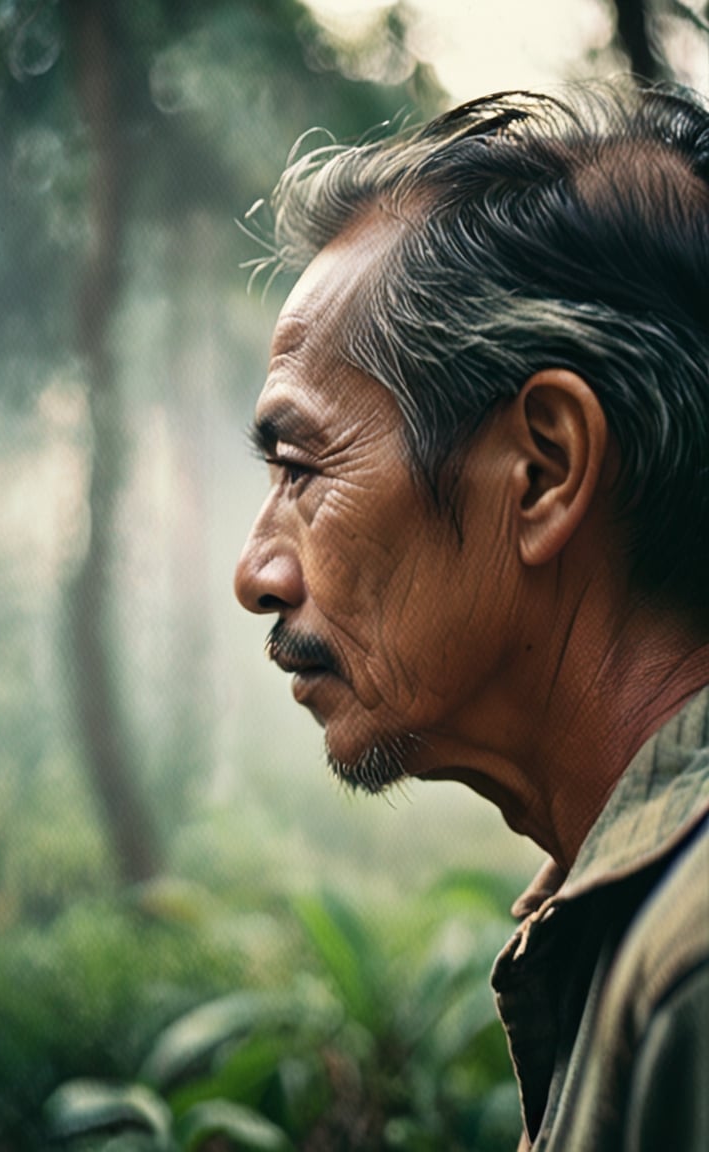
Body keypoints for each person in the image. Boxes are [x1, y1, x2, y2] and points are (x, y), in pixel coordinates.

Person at [233, 80, 709, 1151]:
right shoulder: (632, 923)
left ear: (542, 469)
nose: (256, 573)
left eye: (302, 467)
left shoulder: (693, 966)